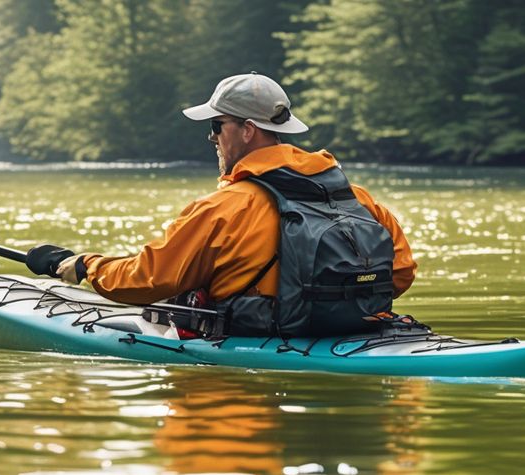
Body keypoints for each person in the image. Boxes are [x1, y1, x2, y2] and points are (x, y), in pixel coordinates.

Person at [27, 72, 416, 337]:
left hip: (260, 342)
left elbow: (147, 280)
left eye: (217, 125)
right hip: (359, 331)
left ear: (247, 131)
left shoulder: (224, 208)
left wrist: (87, 265)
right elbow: (400, 274)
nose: (212, 138)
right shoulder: (356, 197)